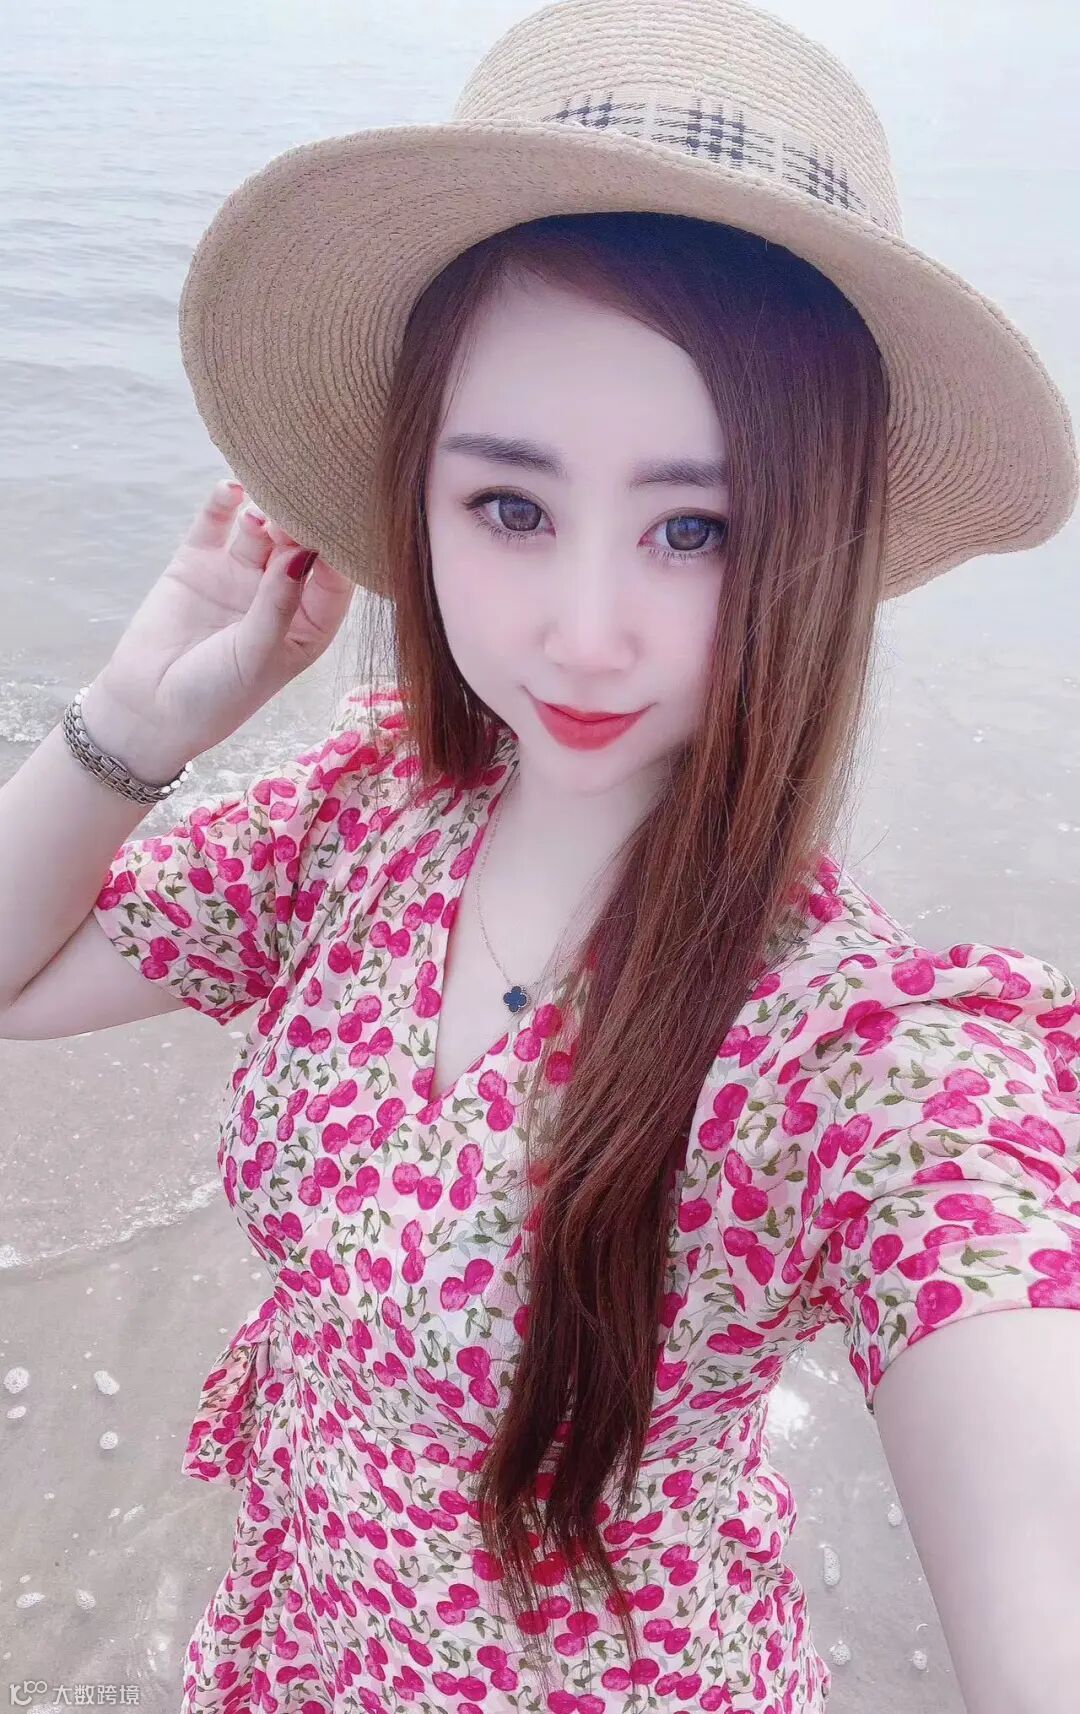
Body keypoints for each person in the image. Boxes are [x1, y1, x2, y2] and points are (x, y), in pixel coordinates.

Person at [1, 0, 1078, 1709]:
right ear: (419, 496)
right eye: (511, 505)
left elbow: (1023, 1451)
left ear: (814, 544)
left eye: (697, 527)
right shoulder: (366, 812)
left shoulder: (852, 1048)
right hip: (294, 1643)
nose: (584, 634)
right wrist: (142, 710)